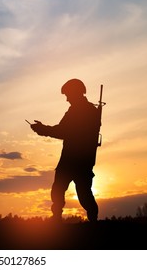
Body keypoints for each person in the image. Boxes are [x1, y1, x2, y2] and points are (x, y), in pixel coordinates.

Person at [30, 79, 100, 222]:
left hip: (77, 161)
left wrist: (42, 129)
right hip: (76, 160)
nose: (67, 99)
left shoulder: (83, 111)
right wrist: (43, 129)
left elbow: (64, 131)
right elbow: (64, 130)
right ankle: (59, 219)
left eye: (68, 95)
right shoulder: (82, 110)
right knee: (61, 190)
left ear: (76, 93)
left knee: (81, 193)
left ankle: (89, 222)